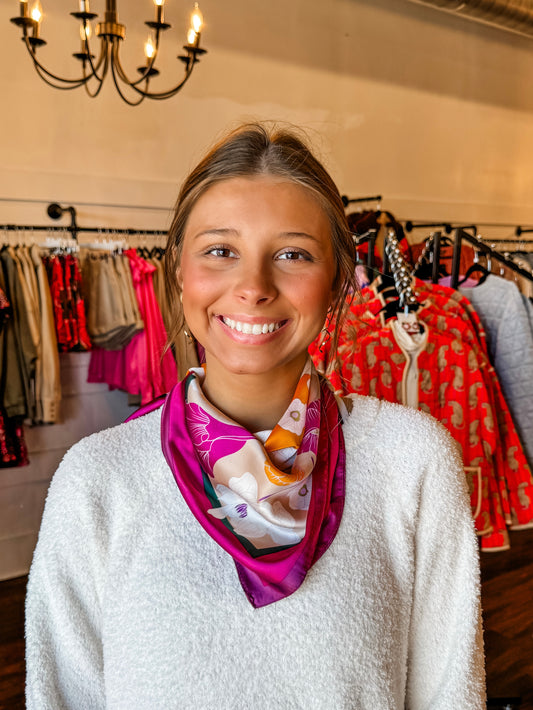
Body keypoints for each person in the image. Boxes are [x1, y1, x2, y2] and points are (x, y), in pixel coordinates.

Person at [25, 123, 486, 709]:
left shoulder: (411, 460)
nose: (253, 286)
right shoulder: (97, 479)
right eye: (221, 251)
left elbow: (452, 693)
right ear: (177, 271)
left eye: (292, 254)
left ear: (339, 281)